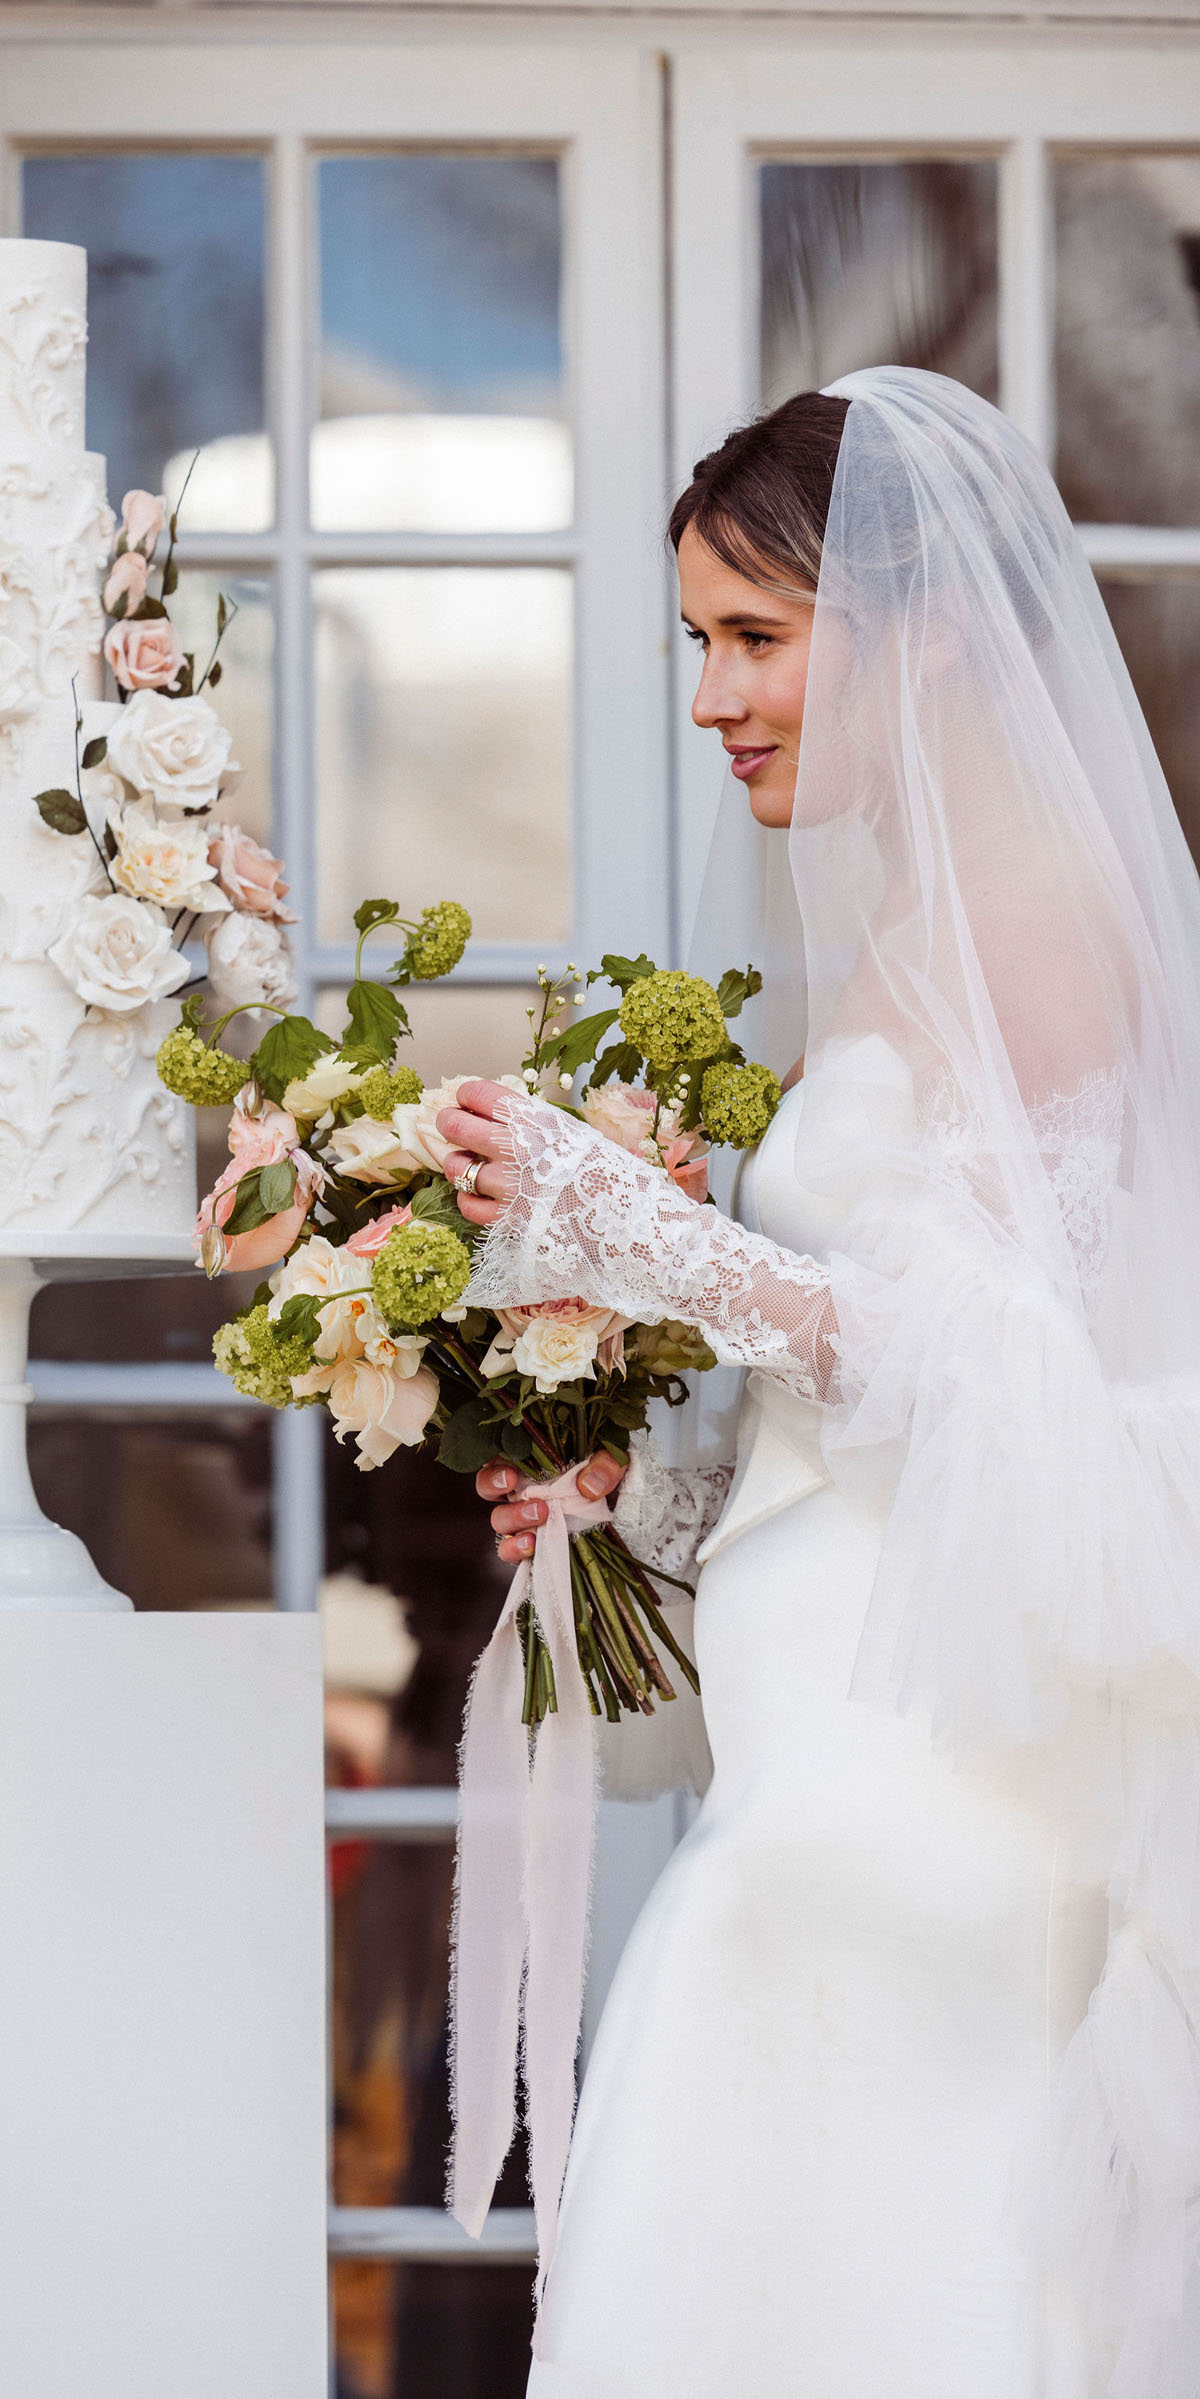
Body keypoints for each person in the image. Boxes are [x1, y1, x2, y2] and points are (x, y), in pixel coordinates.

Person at [436, 368, 1200, 2399]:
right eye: (700, 642)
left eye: (754, 638)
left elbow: (1034, 1404)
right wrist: (629, 1494)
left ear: (920, 627)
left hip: (937, 1774)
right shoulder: (893, 941)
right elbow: (857, 1385)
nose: (711, 699)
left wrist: (655, 1242)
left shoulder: (1039, 928)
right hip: (825, 1725)